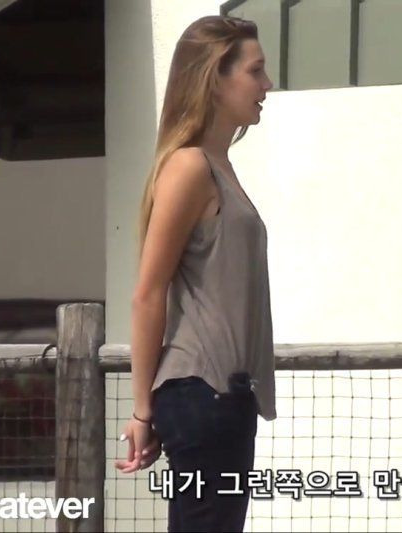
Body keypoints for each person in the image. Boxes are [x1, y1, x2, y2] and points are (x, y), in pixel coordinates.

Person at [112, 15, 276, 532]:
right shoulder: (189, 167)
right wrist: (143, 411)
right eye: (255, 71)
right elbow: (148, 292)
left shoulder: (217, 165)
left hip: (223, 398)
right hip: (203, 395)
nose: (267, 84)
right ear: (215, 78)